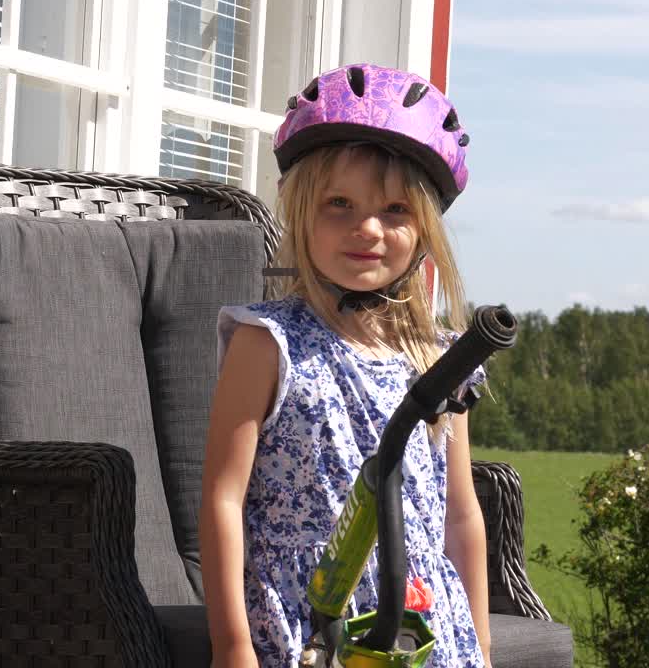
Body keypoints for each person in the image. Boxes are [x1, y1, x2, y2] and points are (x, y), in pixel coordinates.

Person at [200, 63, 491, 668]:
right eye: (339, 203)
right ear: (302, 212)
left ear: (424, 231)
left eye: (394, 210)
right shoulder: (269, 343)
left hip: (423, 624)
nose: (367, 229)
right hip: (309, 622)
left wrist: (481, 647)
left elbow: (460, 515)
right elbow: (223, 498)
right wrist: (231, 647)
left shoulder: (437, 359)